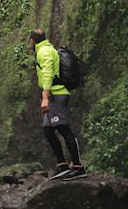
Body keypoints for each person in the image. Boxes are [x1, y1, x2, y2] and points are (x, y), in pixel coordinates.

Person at [30, 29, 86, 181]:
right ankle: (62, 165)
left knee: (63, 129)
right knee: (48, 130)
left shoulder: (44, 52)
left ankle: (78, 167)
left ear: (32, 41)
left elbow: (48, 73)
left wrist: (45, 97)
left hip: (55, 95)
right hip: (53, 94)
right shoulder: (46, 49)